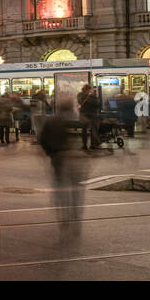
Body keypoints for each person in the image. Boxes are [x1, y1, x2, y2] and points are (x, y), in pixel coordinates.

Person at [39, 113, 82, 242]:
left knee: (61, 188)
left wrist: (50, 153)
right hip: (75, 159)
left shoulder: (52, 120)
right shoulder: (78, 118)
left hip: (58, 158)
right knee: (75, 190)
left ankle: (65, 216)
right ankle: (75, 215)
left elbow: (43, 139)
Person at [78, 83, 101, 151]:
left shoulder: (79, 95)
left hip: (83, 114)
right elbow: (97, 104)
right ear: (88, 89)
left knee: (84, 130)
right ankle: (92, 145)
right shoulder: (92, 96)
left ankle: (84, 145)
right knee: (93, 130)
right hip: (92, 114)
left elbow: (80, 102)